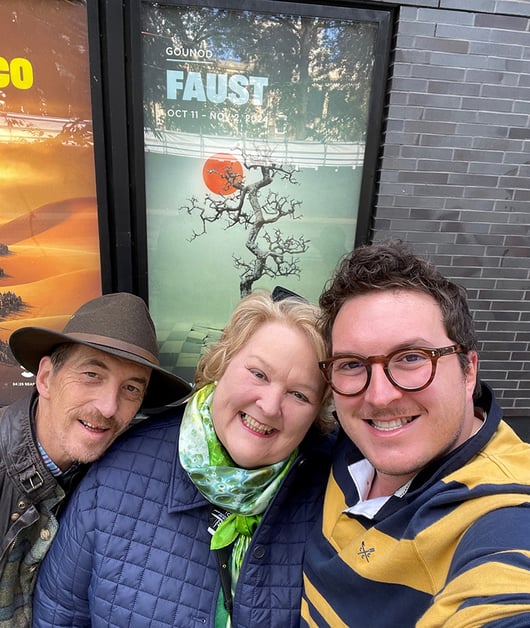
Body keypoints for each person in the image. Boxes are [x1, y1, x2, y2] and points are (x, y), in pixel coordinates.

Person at [33, 290, 336, 627]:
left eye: (299, 394)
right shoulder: (118, 473)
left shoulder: (335, 491)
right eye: (259, 374)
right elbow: (60, 613)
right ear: (222, 364)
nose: (269, 405)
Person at [300, 240, 530, 627]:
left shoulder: (501, 511)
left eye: (411, 358)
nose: (378, 396)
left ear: (468, 370)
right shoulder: (343, 443)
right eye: (352, 364)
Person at [0, 292, 191, 627]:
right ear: (45, 378)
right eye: (92, 374)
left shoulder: (117, 477)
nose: (108, 407)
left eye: (131, 389)